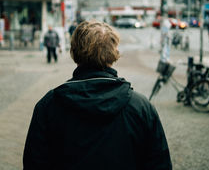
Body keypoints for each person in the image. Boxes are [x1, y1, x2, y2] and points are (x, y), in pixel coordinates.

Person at [23, 20, 172, 170]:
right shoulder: (141, 107)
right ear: (113, 53)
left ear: (74, 52)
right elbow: (159, 163)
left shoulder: (49, 106)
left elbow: (34, 163)